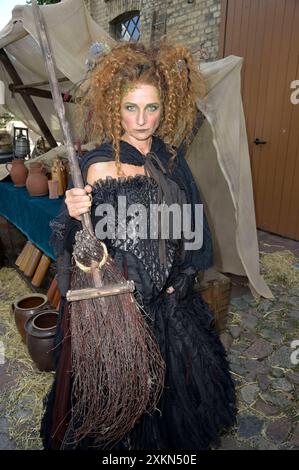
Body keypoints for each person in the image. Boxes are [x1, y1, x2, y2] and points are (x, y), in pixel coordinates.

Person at [41, 41, 236, 450]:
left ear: (165, 107)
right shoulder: (98, 162)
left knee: (176, 401)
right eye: (131, 108)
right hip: (123, 303)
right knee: (123, 401)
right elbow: (87, 246)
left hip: (171, 299)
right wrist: (76, 212)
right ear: (116, 107)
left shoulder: (170, 157)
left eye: (152, 108)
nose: (142, 120)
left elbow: (192, 221)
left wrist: (183, 274)